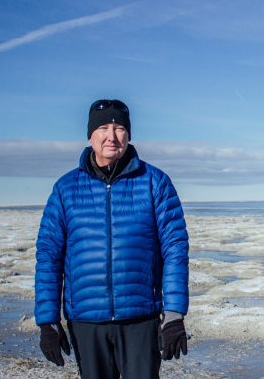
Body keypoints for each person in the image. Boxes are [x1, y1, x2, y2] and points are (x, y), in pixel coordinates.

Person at [35, 99, 189, 379]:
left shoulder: (155, 182)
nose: (111, 135)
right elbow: (49, 255)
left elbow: (175, 250)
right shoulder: (66, 188)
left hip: (140, 319)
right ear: (90, 135)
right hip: (86, 320)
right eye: (103, 127)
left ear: (128, 135)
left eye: (119, 128)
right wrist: (48, 320)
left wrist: (174, 313)